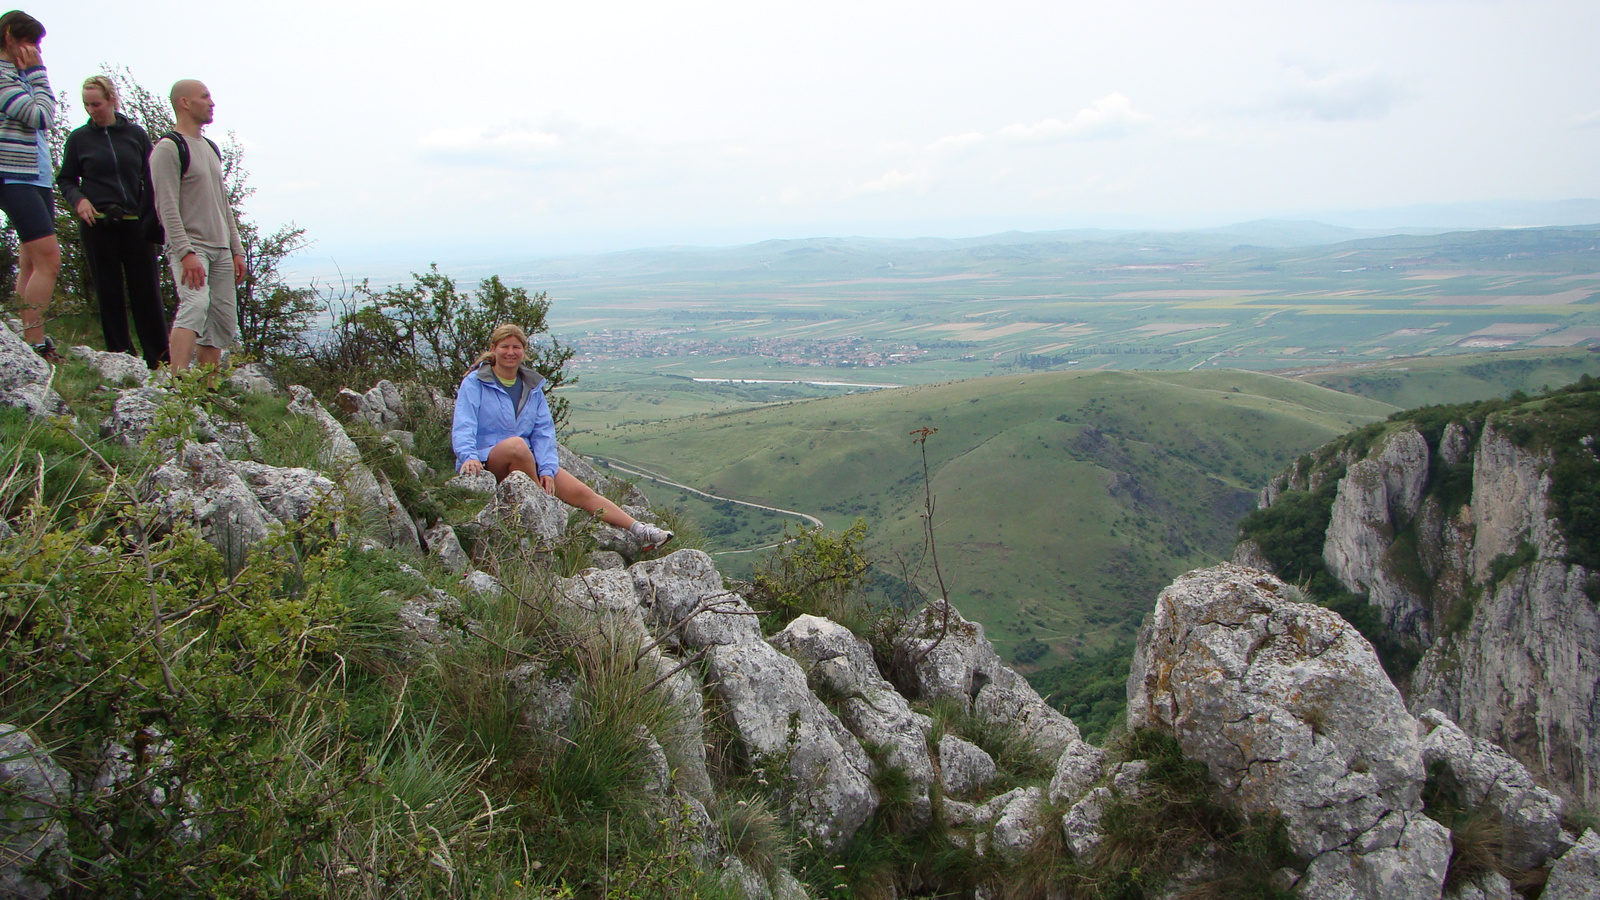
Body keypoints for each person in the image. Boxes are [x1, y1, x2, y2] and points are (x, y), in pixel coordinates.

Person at [453, 323, 674, 551]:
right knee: (516, 446)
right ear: (493, 349)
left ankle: (641, 530)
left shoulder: (532, 387)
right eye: (504, 346)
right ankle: (547, 509)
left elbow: (543, 432)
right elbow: (464, 423)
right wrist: (468, 455)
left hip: (528, 462)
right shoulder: (475, 382)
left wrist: (547, 469)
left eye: (516, 347)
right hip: (488, 459)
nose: (510, 352)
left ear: (524, 351)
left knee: (583, 493)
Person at [58, 75, 168, 369]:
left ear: (111, 100)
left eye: (96, 103)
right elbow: (66, 179)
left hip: (135, 222)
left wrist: (152, 213)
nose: (91, 109)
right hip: (98, 223)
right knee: (108, 291)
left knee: (146, 290)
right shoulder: (79, 138)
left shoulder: (135, 134)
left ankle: (159, 359)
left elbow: (152, 176)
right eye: (86, 104)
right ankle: (120, 357)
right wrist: (79, 200)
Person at [150, 79, 244, 372]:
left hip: (220, 248)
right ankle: (176, 383)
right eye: (205, 97)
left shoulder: (210, 148)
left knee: (220, 319)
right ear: (185, 103)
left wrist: (237, 250)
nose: (212, 102)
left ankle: (206, 388)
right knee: (195, 305)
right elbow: (166, 206)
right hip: (193, 246)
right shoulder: (168, 148)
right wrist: (185, 251)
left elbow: (222, 203)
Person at [0, 10, 59, 359]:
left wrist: (31, 75)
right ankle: (36, 343)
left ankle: (30, 338)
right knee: (50, 259)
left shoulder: (18, 76)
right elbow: (41, 116)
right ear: (9, 36)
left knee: (31, 263)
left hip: (37, 175)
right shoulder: (4, 76)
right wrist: (38, 74)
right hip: (13, 175)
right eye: (30, 42)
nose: (35, 50)